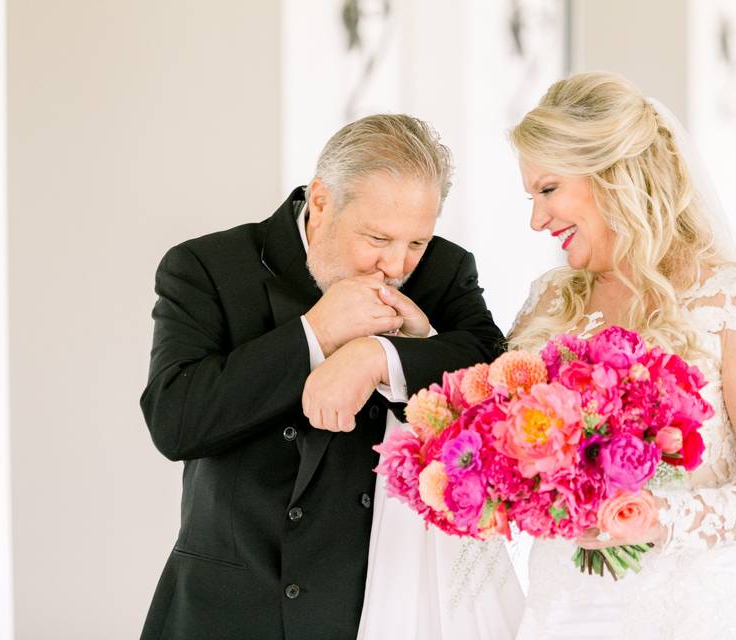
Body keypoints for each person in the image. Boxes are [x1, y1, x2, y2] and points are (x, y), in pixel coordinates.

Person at [138, 114, 512, 640]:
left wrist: (380, 356)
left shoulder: (446, 270)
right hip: (230, 607)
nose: (397, 264)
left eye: (416, 242)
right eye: (378, 237)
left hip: (372, 603)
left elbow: (491, 369)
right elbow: (176, 421)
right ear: (320, 201)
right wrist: (314, 333)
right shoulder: (207, 267)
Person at [505, 72, 736, 639]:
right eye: (531, 197)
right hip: (564, 610)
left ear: (611, 176)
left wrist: (655, 518)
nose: (537, 220)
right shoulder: (550, 300)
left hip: (693, 613)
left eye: (548, 190)